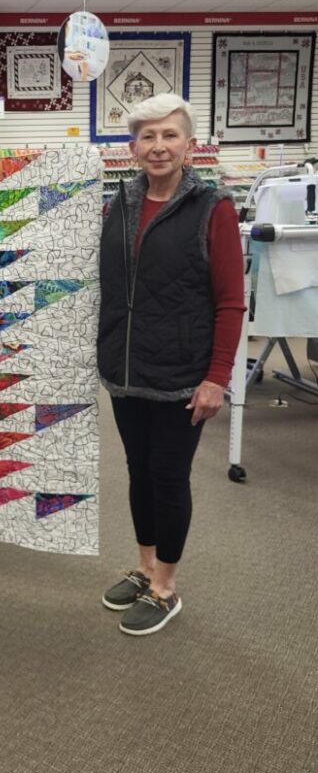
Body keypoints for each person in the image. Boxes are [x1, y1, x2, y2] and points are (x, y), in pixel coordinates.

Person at [97, 93, 245, 635]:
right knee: (138, 473)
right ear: (133, 147)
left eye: (169, 135)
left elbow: (231, 301)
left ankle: (165, 587)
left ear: (189, 145)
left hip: (182, 373)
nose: (158, 146)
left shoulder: (213, 208)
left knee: (167, 476)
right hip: (126, 369)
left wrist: (217, 378)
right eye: (148, 136)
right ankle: (143, 568)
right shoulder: (120, 203)